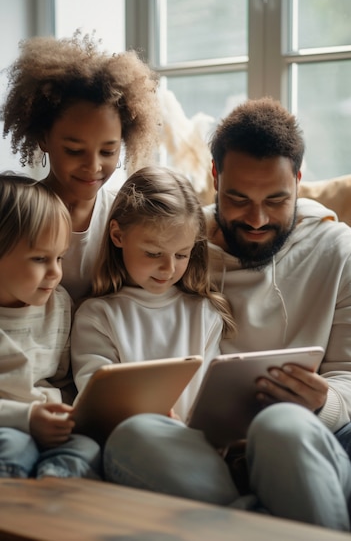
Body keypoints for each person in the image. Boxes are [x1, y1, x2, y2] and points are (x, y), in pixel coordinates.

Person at [102, 97, 351, 531]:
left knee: (280, 426)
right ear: (214, 176)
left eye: (276, 199)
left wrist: (325, 403)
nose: (256, 218)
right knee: (130, 435)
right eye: (238, 198)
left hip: (302, 440)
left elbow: (348, 373)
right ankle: (258, 520)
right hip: (203, 450)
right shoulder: (180, 245)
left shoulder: (338, 249)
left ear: (298, 179)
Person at [1, 31, 162, 302]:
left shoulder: (128, 219)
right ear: (43, 138)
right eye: (74, 150)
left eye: (108, 151)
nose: (93, 166)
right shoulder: (15, 214)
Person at [71, 165, 236, 426]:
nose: (169, 268)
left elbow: (210, 397)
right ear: (117, 235)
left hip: (190, 440)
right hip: (128, 439)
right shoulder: (97, 316)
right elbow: (96, 398)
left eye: (181, 254)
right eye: (153, 253)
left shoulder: (204, 312)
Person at [0, 173, 101, 479]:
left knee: (87, 449)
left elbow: (62, 380)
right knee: (14, 447)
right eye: (41, 258)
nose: (55, 272)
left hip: (52, 426)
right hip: (9, 426)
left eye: (60, 257)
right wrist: (27, 418)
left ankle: (52, 499)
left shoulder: (59, 306)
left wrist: (71, 414)